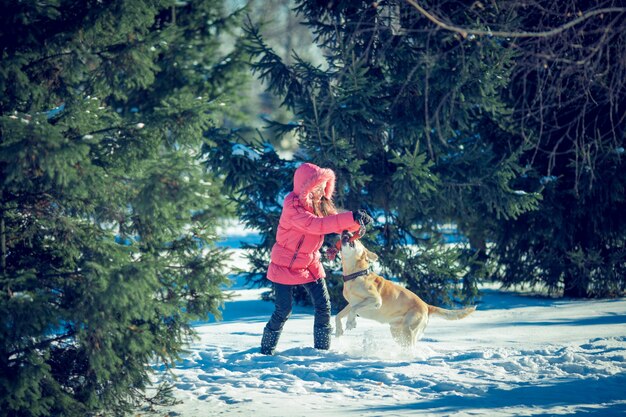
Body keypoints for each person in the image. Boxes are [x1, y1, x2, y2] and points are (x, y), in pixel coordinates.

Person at [260, 162, 372, 355]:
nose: (320, 191)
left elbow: (337, 225)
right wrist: (349, 217)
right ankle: (265, 350)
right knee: (283, 311)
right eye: (316, 187)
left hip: (310, 264)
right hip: (284, 265)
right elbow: (316, 226)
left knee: (323, 306)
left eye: (323, 187)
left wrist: (356, 221)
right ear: (305, 187)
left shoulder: (320, 205)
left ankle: (321, 351)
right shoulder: (293, 207)